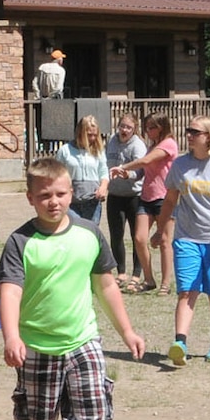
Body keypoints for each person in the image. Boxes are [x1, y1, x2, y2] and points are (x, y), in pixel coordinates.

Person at [0, 155, 147, 420]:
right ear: (31, 197)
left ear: (72, 192)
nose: (54, 201)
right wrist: (12, 336)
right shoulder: (21, 241)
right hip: (37, 348)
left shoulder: (89, 234)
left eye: (61, 193)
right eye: (45, 195)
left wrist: (127, 331)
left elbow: (106, 286)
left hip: (83, 343)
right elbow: (10, 292)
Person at [156, 116, 210, 366]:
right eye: (188, 130)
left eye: (195, 131)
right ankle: (180, 342)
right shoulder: (180, 164)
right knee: (186, 291)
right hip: (186, 238)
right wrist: (160, 229)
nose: (189, 135)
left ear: (209, 136)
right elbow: (170, 200)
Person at [108, 113, 178, 290]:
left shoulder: (168, 144)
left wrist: (123, 166)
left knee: (164, 241)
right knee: (139, 239)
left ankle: (165, 284)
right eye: (147, 128)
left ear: (161, 127)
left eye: (151, 128)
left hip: (164, 198)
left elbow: (146, 160)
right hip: (146, 198)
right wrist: (128, 174)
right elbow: (143, 171)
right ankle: (149, 279)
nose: (148, 131)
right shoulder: (152, 145)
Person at [104, 113, 148, 282]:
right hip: (115, 195)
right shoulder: (112, 141)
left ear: (134, 129)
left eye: (128, 127)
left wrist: (126, 174)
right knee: (116, 235)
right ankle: (121, 272)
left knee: (136, 236)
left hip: (134, 196)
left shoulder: (138, 145)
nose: (124, 130)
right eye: (122, 126)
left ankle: (137, 274)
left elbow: (141, 170)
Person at [57, 114, 110, 227]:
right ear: (80, 132)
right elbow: (57, 174)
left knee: (90, 233)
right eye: (89, 135)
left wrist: (103, 187)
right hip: (71, 202)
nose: (92, 138)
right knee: (74, 230)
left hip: (92, 201)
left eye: (95, 135)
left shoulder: (99, 150)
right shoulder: (65, 151)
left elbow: (103, 171)